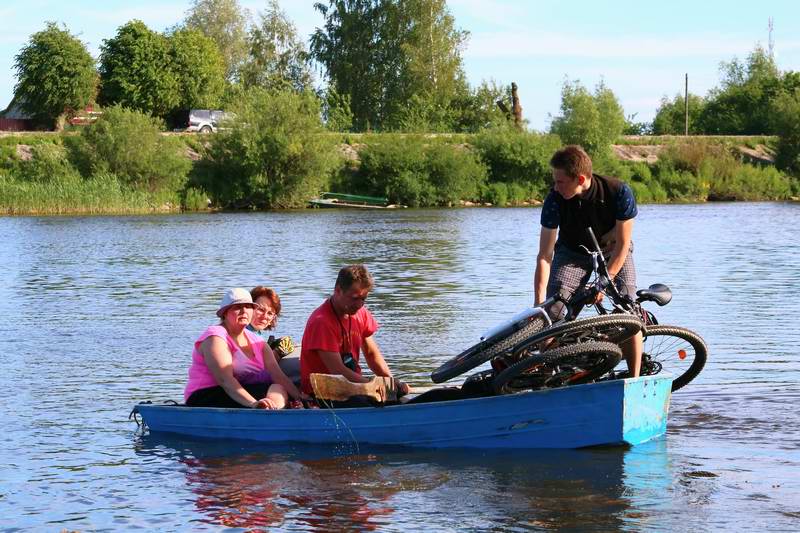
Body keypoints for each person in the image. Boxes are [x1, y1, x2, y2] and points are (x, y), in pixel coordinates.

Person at [534, 145, 643, 377]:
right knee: (552, 312)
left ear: (580, 179)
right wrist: (539, 304)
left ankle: (634, 378)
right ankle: (550, 375)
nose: (555, 187)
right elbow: (544, 256)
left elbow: (623, 245)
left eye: (561, 182)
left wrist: (603, 283)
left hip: (612, 252)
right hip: (572, 253)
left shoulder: (618, 191)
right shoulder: (555, 199)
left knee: (627, 311)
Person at [299, 264, 409, 404]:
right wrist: (374, 385)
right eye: (354, 298)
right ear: (338, 290)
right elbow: (338, 371)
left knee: (396, 398)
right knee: (370, 404)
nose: (359, 304)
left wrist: (392, 383)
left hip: (352, 387)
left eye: (363, 299)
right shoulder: (321, 322)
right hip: (323, 393)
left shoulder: (360, 313)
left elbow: (371, 354)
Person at [184, 287, 306, 409]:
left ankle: (269, 414)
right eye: (237, 307)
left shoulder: (258, 342)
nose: (244, 311)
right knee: (269, 391)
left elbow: (279, 377)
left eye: (248, 307)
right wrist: (253, 403)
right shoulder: (215, 337)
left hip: (237, 393)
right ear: (225, 313)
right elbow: (225, 380)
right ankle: (263, 415)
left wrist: (301, 398)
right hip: (205, 396)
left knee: (277, 388)